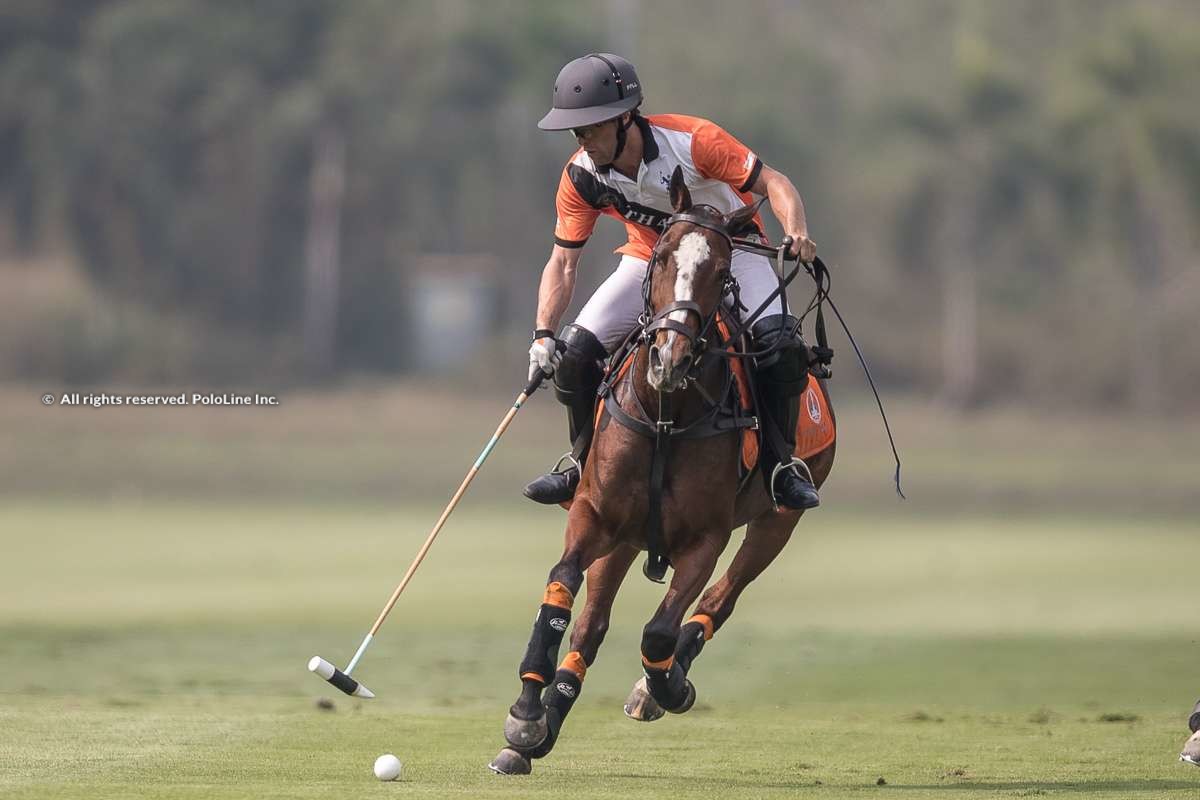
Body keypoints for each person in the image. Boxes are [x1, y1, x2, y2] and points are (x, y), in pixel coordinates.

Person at [524, 52, 820, 511]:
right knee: (574, 357)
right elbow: (563, 263)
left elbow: (775, 183)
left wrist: (796, 230)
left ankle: (780, 466)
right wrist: (543, 334)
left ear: (625, 119)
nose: (583, 140)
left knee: (779, 347)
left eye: (592, 128)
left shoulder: (694, 141)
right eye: (576, 131)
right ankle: (579, 465)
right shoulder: (581, 176)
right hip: (650, 260)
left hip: (732, 250)